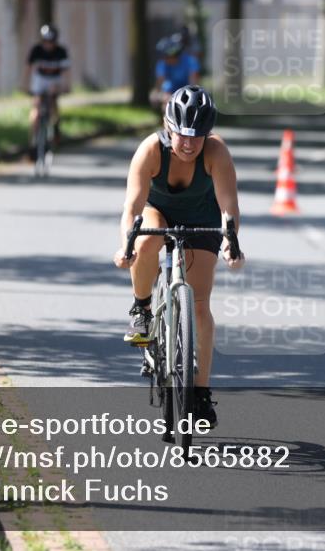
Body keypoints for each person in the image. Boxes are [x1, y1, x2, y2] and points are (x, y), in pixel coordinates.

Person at [114, 85, 244, 428]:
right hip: (158, 212)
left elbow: (229, 208)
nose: (188, 144)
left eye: (197, 137)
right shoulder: (150, 151)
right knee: (145, 243)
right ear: (167, 126)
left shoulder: (216, 153)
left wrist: (231, 243)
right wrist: (125, 246)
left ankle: (200, 392)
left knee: (200, 306)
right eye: (181, 135)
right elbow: (132, 208)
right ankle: (141, 308)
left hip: (201, 218)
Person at [23, 24, 71, 156]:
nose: (48, 45)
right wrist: (25, 85)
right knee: (36, 108)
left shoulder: (61, 52)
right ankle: (33, 141)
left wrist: (66, 86)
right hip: (40, 80)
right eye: (45, 42)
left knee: (53, 99)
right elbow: (28, 69)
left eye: (51, 42)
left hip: (54, 80)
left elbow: (66, 72)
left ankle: (55, 127)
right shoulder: (36, 50)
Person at [151, 32, 200, 110]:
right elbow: (160, 82)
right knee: (166, 104)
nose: (164, 59)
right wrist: (156, 94)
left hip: (187, 88)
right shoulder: (162, 63)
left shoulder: (190, 61)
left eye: (166, 56)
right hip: (170, 90)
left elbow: (194, 83)